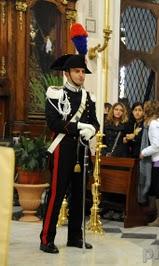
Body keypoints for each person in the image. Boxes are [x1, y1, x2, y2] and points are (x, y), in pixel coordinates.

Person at [39, 54, 99, 254]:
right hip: (62, 151)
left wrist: (93, 130)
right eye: (77, 71)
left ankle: (75, 236)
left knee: (79, 197)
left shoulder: (88, 98)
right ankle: (46, 238)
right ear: (67, 73)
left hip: (81, 151)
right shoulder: (56, 94)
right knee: (56, 196)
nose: (81, 75)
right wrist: (78, 126)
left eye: (83, 72)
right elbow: (54, 123)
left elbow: (96, 123)